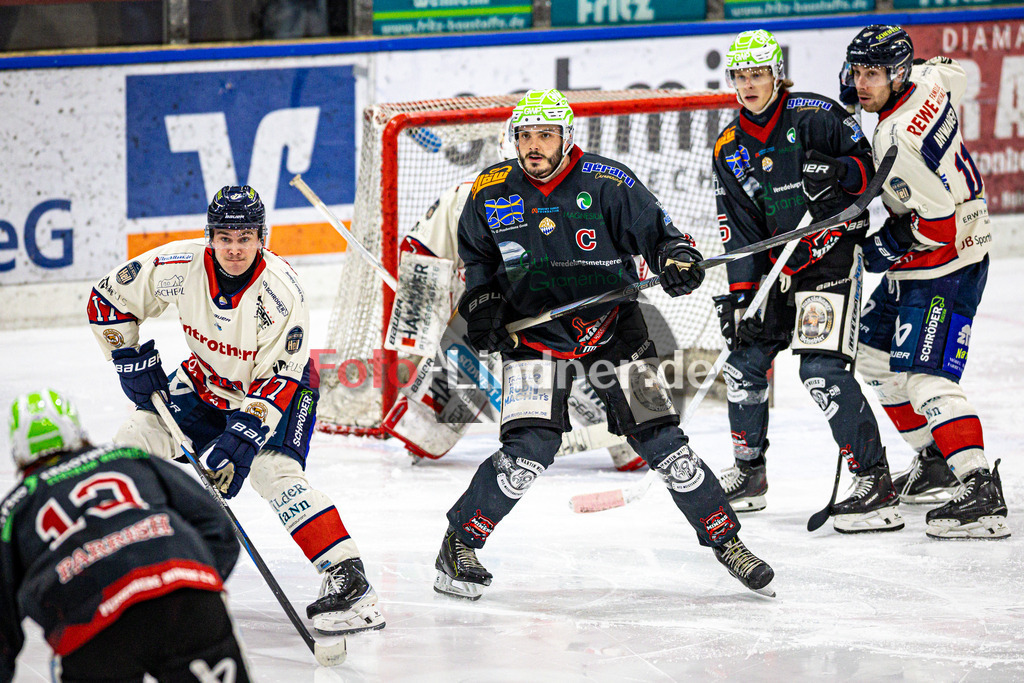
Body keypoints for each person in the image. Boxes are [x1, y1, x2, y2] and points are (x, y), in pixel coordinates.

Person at [433, 88, 775, 601]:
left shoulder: (608, 182)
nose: (533, 146)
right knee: (527, 451)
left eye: (545, 135)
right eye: (524, 135)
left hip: (614, 331)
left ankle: (728, 542)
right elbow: (478, 261)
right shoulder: (491, 188)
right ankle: (459, 543)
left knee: (665, 445)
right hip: (535, 338)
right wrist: (482, 305)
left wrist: (676, 259)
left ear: (566, 137)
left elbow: (662, 237)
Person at [86, 185, 386, 633]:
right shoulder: (179, 266)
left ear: (263, 238)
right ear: (210, 237)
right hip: (205, 383)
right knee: (131, 443)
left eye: (245, 237)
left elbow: (279, 380)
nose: (234, 248)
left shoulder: (281, 292)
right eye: (225, 237)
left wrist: (241, 440)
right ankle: (124, 569)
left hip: (280, 390)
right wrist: (127, 360)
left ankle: (349, 580)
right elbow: (107, 299)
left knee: (274, 476)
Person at [711, 28, 902, 534]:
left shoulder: (817, 114)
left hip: (831, 259)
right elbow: (740, 231)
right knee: (742, 364)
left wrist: (837, 171)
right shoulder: (729, 147)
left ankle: (874, 480)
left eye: (757, 74)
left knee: (820, 371)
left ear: (777, 74)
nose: (748, 84)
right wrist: (740, 296)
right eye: (740, 75)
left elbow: (872, 171)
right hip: (779, 267)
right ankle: (750, 475)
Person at [387, 119, 644, 470]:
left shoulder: (590, 191)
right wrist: (423, 336)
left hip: (571, 313)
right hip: (492, 316)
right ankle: (425, 427)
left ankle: (639, 437)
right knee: (425, 425)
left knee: (612, 375)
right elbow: (421, 253)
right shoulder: (471, 196)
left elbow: (631, 259)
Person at [842, 25, 1009, 539]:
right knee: (871, 357)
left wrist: (885, 243)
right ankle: (934, 461)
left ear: (895, 74)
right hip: (925, 258)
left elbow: (933, 223)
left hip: (947, 260)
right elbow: (951, 70)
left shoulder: (896, 140)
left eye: (873, 73)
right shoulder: (926, 78)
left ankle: (980, 489)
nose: (861, 83)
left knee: (924, 377)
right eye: (858, 71)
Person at [1, 389, 252, 682]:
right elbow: (216, 526)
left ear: (18, 451)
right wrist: (195, 582)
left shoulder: (13, 509)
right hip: (183, 599)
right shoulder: (128, 456)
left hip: (93, 628)